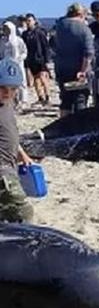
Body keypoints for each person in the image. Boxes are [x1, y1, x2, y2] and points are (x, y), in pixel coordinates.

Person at [0, 57, 34, 223]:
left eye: (12, 88)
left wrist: (22, 153)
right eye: (2, 88)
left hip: (11, 167)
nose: (7, 93)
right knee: (23, 212)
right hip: (2, 173)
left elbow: (10, 132)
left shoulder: (7, 104)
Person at [54, 3, 95, 116]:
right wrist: (83, 70)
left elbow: (54, 45)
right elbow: (88, 53)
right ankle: (79, 126)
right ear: (81, 14)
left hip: (62, 67)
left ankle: (64, 126)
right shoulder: (84, 29)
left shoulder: (59, 26)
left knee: (65, 99)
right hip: (78, 68)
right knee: (80, 99)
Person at [21, 15, 50, 106]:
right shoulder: (25, 34)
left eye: (30, 20)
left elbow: (45, 46)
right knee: (36, 79)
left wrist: (46, 58)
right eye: (27, 21)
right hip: (31, 59)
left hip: (40, 58)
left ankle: (47, 96)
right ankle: (40, 97)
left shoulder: (39, 32)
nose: (28, 22)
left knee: (43, 78)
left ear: (34, 21)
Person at [0, 22, 28, 108]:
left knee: (21, 82)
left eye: (7, 29)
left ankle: (23, 100)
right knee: (8, 83)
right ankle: (13, 100)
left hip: (18, 64)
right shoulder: (2, 41)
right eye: (4, 28)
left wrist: (19, 58)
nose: (5, 30)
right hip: (6, 65)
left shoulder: (18, 40)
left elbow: (24, 52)